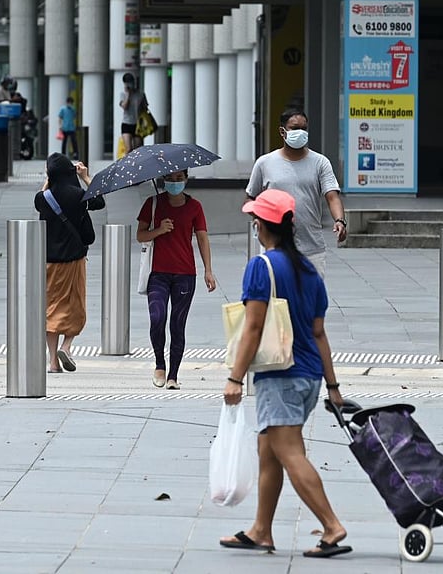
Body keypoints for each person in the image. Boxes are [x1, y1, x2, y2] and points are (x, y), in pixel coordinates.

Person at [220, 189, 350, 559]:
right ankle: (261, 530)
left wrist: (235, 377)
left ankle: (331, 525)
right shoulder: (309, 270)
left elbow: (254, 327)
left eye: (256, 219)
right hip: (308, 376)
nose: (254, 224)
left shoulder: (262, 267)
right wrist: (333, 386)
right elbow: (319, 333)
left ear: (264, 225)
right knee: (269, 450)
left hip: (281, 376)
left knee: (289, 452)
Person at [136, 170, 216, 389]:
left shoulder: (195, 207)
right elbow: (140, 235)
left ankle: (173, 375)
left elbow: (202, 238)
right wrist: (159, 230)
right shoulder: (152, 204)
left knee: (177, 325)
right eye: (170, 178)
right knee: (157, 317)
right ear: (163, 180)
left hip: (185, 274)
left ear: (186, 179)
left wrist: (208, 270)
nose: (174, 182)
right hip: (158, 274)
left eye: (179, 178)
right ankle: (159, 364)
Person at [245, 108, 347, 278]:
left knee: (311, 301)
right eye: (294, 128)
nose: (300, 132)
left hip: (311, 248)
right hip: (275, 249)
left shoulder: (320, 163)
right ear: (282, 131)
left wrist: (340, 221)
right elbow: (250, 198)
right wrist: (260, 218)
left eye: (304, 128)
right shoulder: (265, 163)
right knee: (277, 300)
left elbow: (332, 196)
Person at [34, 153, 105, 373]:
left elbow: (41, 196)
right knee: (75, 307)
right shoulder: (78, 195)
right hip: (73, 260)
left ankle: (53, 362)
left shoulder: (42, 198)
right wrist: (85, 177)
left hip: (48, 262)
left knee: (51, 308)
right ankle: (66, 345)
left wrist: (49, 179)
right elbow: (99, 201)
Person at [119, 72, 146, 155]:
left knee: (138, 149)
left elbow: (144, 108)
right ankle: (127, 166)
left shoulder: (140, 94)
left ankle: (137, 166)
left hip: (137, 124)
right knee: (128, 149)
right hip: (126, 123)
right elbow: (124, 106)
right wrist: (128, 94)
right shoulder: (123, 94)